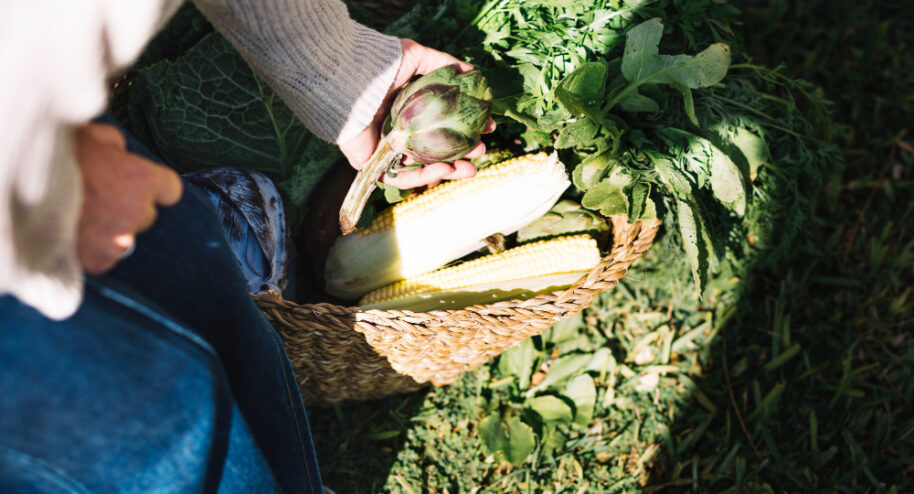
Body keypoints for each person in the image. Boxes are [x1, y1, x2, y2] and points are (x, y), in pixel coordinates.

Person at [0, 1, 491, 491]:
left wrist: (350, 76)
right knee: (168, 442)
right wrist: (38, 181)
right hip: (21, 233)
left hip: (49, 130)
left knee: (237, 346)